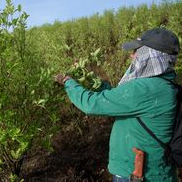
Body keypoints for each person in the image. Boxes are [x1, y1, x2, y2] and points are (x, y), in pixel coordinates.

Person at [55, 28, 180, 181]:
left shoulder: (145, 88)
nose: (132, 55)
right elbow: (120, 98)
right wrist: (93, 81)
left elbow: (92, 104)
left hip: (139, 176)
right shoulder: (162, 85)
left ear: (150, 55)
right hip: (155, 172)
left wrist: (68, 82)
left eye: (137, 51)